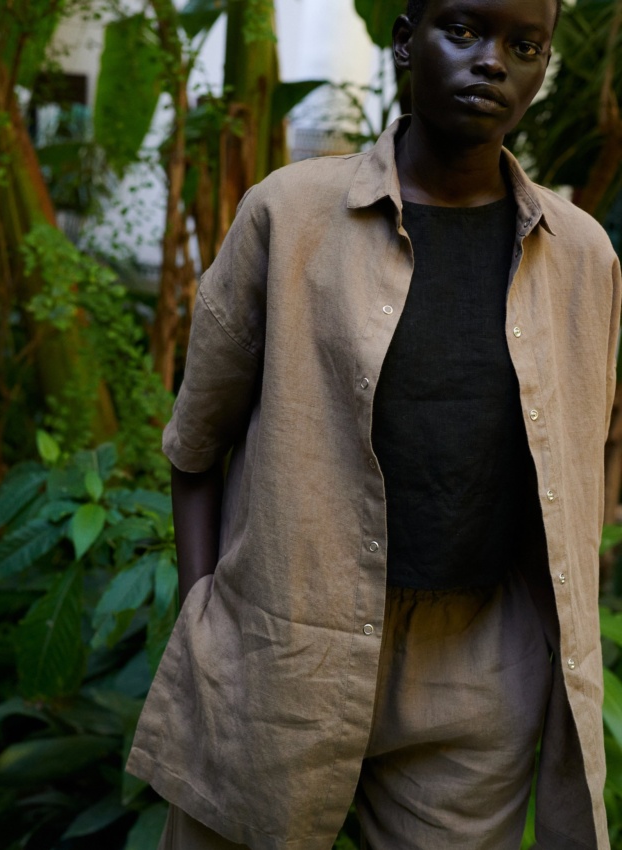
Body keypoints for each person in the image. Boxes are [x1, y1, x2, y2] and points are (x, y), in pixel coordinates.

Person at [127, 0, 622, 847]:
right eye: (463, 31)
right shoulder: (290, 218)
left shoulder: (582, 257)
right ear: (403, 40)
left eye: (524, 45)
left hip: (478, 671)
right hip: (284, 654)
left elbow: (600, 446)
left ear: (543, 69)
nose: (492, 62)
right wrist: (207, 614)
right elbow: (196, 441)